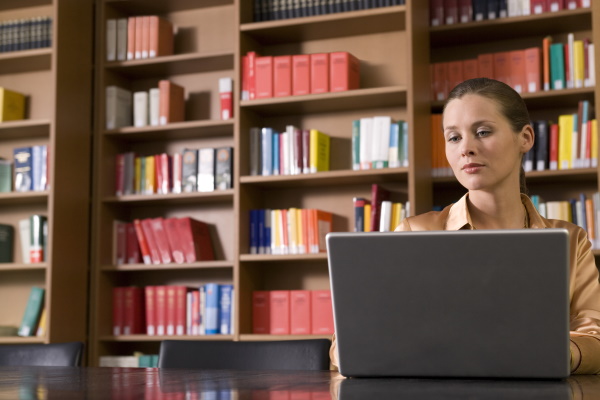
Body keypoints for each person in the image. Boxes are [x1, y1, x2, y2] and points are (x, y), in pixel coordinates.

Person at [329, 77, 600, 374]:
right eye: (454, 137)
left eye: (482, 132)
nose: (466, 148)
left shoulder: (571, 240)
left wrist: (562, 355)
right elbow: (345, 345)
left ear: (525, 138)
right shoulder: (415, 233)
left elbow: (594, 338)